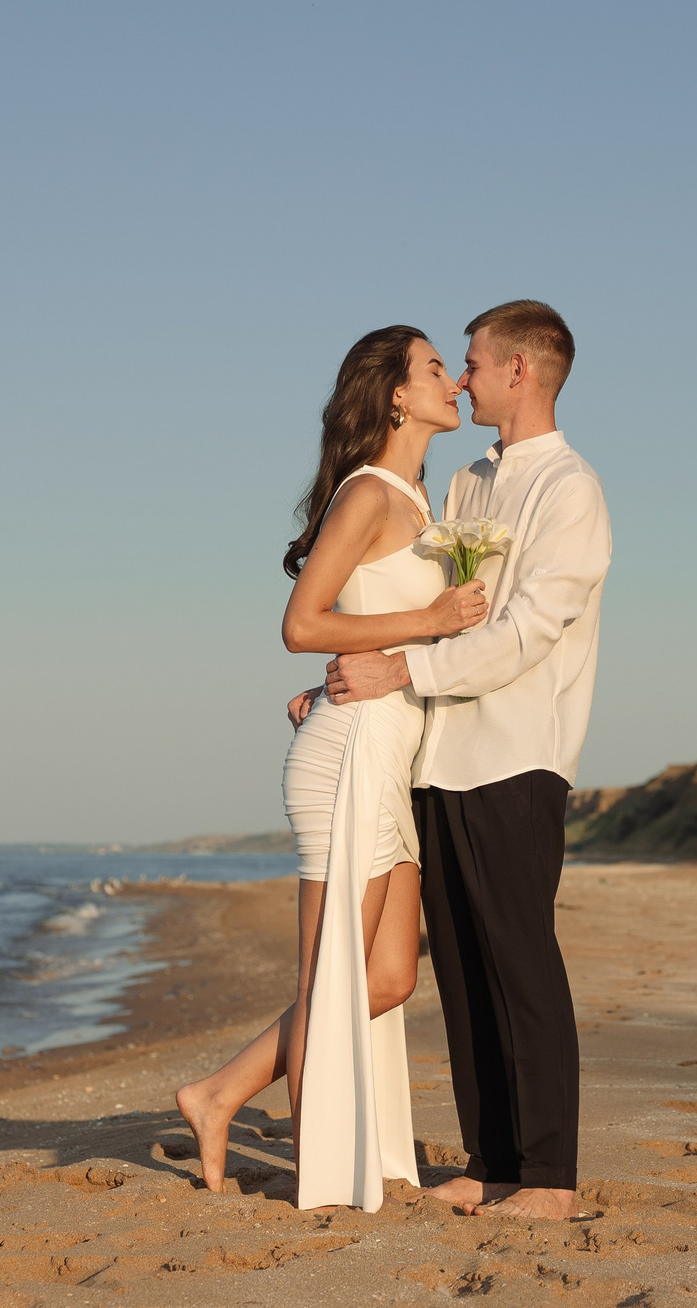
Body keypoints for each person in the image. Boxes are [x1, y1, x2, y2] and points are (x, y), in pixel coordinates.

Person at [172, 325, 488, 1210]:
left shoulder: (421, 500)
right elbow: (302, 621)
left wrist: (389, 645)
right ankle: (319, 1178)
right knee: (330, 978)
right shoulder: (370, 495)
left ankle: (221, 1091)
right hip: (348, 756)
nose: (452, 382)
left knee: (387, 978)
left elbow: (362, 619)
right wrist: (428, 623)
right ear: (394, 393)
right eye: (434, 369)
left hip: (389, 753)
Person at [321, 300, 611, 1220]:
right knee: (461, 967)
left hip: (518, 755)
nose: (462, 379)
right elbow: (433, 605)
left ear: (520, 371)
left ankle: (551, 1177)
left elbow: (526, 631)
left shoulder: (570, 489)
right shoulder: (467, 485)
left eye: (475, 363)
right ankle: (491, 1160)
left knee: (522, 961)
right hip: (438, 755)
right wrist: (363, 678)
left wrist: (401, 665)